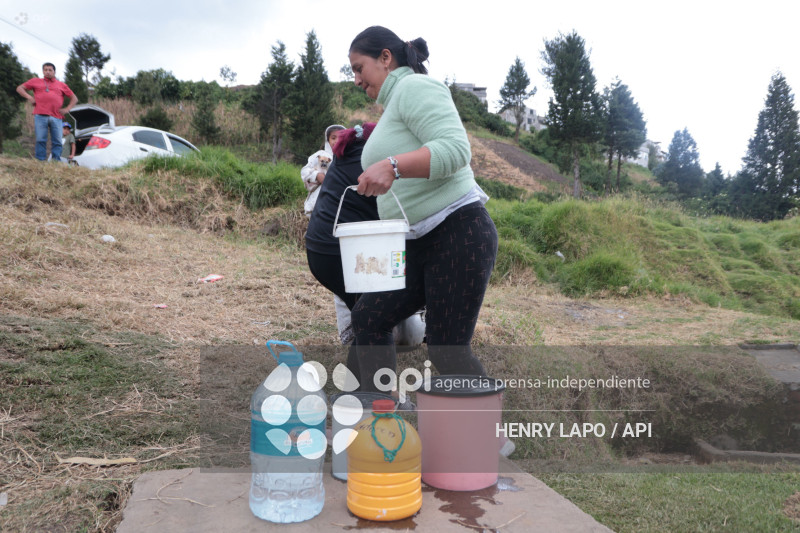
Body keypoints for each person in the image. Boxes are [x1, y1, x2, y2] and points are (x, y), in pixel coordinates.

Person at [347, 26, 499, 395]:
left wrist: (393, 166)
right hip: (417, 241)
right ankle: (379, 422)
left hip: (457, 233)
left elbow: (455, 149)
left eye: (358, 67)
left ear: (386, 57)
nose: (355, 79)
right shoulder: (394, 106)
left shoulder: (416, 87)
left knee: (448, 353)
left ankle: (490, 440)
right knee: (369, 318)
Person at [16, 62, 78, 162]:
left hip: (57, 116)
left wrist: (67, 109)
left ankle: (55, 162)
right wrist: (29, 97)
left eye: (50, 70)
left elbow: (74, 98)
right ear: (43, 71)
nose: (48, 72)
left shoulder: (61, 85)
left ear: (54, 72)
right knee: (40, 139)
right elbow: (19, 88)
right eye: (45, 70)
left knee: (57, 141)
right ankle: (40, 161)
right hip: (40, 115)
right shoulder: (35, 81)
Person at [301, 125, 345, 217]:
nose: (336, 141)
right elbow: (304, 171)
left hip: (340, 203)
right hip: (319, 204)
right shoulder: (321, 155)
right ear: (328, 140)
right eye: (333, 138)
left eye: (340, 138)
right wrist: (317, 175)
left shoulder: (347, 158)